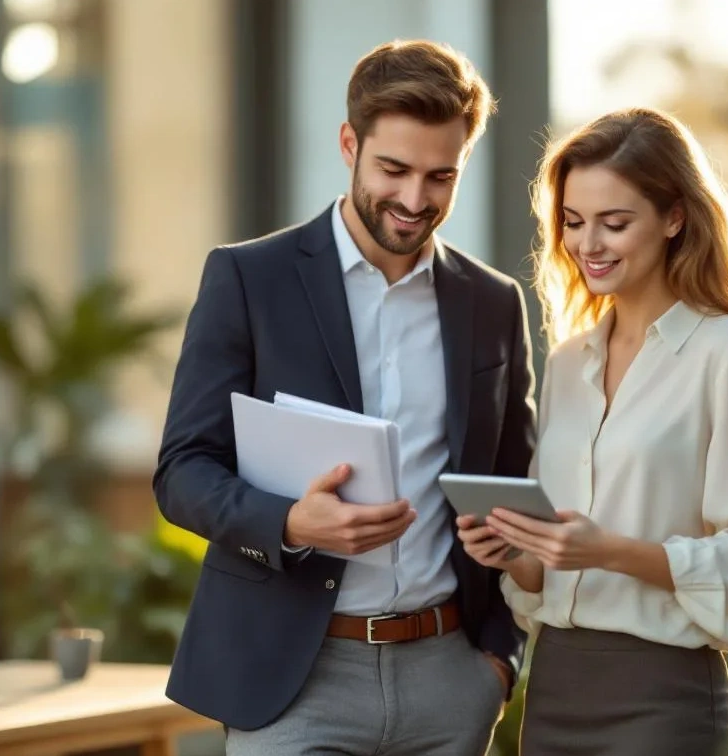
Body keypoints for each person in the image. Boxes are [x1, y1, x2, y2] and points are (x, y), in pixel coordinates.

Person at [153, 39, 535, 756]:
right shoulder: (249, 278)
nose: (415, 200)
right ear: (349, 143)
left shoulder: (493, 303)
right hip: (294, 683)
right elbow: (182, 472)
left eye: (439, 176)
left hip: (449, 679)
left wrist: (496, 660)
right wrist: (293, 521)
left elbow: (513, 481)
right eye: (393, 169)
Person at [457, 107, 728, 755]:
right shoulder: (566, 361)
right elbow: (550, 570)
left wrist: (609, 550)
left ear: (675, 218)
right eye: (574, 222)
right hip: (554, 686)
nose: (588, 245)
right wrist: (517, 554)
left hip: (661, 698)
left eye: (614, 223)